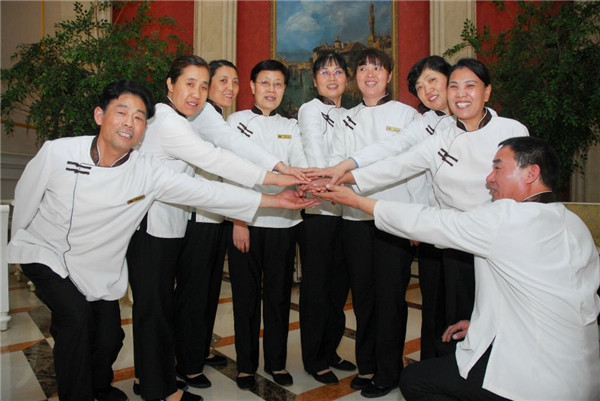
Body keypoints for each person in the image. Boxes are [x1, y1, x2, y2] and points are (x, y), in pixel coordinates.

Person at [6, 80, 318, 401]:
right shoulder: (58, 152)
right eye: (121, 113)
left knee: (110, 337)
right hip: (47, 254)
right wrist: (21, 242)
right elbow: (26, 197)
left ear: (145, 128)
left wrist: (277, 199)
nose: (130, 123)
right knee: (76, 321)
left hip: (97, 267)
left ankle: (98, 386)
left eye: (139, 117)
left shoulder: (147, 172)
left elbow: (209, 192)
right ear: (100, 115)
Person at [312, 136, 600, 401]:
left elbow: (430, 222)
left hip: (536, 381)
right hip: (581, 376)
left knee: (415, 380)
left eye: (497, 168)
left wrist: (356, 200)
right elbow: (552, 297)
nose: (489, 179)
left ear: (531, 173)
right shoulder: (572, 222)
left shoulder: (508, 217)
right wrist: (483, 323)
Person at [316, 59, 529, 356]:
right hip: (454, 237)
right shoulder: (440, 136)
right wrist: (345, 173)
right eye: (454, 87)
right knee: (455, 315)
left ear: (487, 92)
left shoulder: (512, 130)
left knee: (504, 314)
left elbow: (528, 187)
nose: (460, 94)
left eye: (469, 86)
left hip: (503, 238)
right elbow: (396, 161)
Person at [126, 55, 308, 401]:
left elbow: (232, 144)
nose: (197, 93)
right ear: (170, 84)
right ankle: (155, 386)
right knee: (154, 308)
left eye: (202, 86)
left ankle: (156, 379)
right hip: (149, 225)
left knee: (162, 306)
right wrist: (275, 182)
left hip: (172, 224)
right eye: (189, 84)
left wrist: (281, 167)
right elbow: (217, 160)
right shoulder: (166, 121)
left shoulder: (193, 116)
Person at [326, 48, 424, 398]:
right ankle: (366, 365)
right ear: (355, 77)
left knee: (390, 297)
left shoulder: (407, 115)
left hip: (392, 218)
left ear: (389, 76)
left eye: (378, 68)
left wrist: (415, 220)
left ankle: (389, 370)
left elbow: (414, 167)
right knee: (363, 296)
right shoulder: (346, 118)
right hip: (354, 218)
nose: (370, 74)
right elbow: (337, 160)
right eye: (364, 69)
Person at [225, 59, 306, 390]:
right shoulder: (235, 122)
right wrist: (238, 220)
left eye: (278, 84)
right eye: (265, 82)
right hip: (246, 222)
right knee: (245, 297)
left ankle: (276, 362)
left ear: (284, 89)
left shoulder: (292, 126)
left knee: (278, 297)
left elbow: (300, 164)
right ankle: (246, 365)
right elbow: (230, 172)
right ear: (252, 86)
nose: (271, 89)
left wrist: (305, 183)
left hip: (284, 225)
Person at [172, 59, 241, 391]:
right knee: (194, 291)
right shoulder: (200, 116)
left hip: (215, 215)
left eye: (235, 81)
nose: (230, 87)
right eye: (222, 80)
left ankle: (198, 350)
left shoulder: (214, 116)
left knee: (210, 290)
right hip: (198, 217)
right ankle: (187, 363)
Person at [296, 51, 355, 385]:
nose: (332, 78)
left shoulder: (350, 114)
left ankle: (330, 349)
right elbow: (316, 153)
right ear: (315, 80)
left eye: (338, 72)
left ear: (346, 78)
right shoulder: (309, 110)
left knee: (338, 286)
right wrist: (330, 183)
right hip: (319, 208)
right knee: (317, 286)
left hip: (346, 209)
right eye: (324, 72)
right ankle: (314, 358)